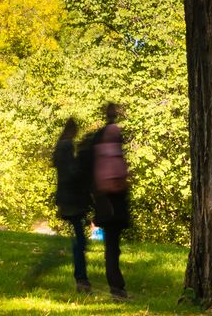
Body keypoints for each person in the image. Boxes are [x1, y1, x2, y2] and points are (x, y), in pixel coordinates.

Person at [27, 116, 93, 292]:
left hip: (67, 198)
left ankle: (81, 277)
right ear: (73, 130)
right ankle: (81, 278)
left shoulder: (61, 145)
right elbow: (71, 173)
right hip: (72, 199)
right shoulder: (67, 145)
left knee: (78, 239)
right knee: (79, 241)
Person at [87, 102, 132, 299]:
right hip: (112, 203)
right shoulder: (112, 144)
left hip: (105, 203)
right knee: (113, 247)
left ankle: (116, 286)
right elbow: (116, 177)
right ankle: (117, 287)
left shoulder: (98, 143)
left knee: (112, 247)